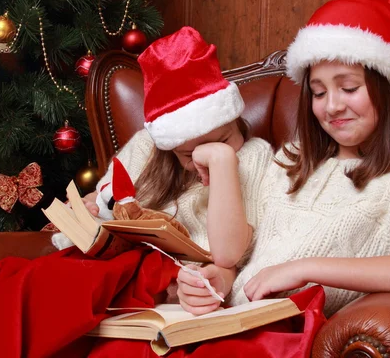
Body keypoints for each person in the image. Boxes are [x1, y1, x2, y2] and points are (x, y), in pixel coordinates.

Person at [178, 0, 390, 317]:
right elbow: (243, 256)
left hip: (287, 339)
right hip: (228, 323)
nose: (332, 106)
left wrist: (306, 268)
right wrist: (220, 280)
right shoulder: (290, 161)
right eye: (318, 92)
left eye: (349, 88)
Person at [52, 26, 274, 306]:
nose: (200, 159)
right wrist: (88, 208)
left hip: (180, 279)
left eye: (220, 141)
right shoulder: (147, 146)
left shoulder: (253, 156)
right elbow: (105, 200)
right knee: (29, 284)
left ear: (234, 120)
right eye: (188, 153)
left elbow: (229, 255)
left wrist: (222, 160)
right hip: (122, 266)